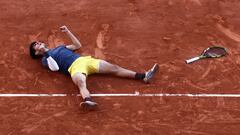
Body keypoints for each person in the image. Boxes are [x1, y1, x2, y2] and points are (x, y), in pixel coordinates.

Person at [29, 25, 159, 111]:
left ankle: (144, 76)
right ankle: (88, 101)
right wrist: (45, 53)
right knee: (81, 82)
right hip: (73, 68)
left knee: (114, 68)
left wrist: (68, 31)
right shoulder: (45, 60)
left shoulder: (59, 48)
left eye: (38, 42)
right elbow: (55, 68)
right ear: (36, 53)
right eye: (35, 45)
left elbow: (77, 45)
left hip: (84, 61)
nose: (38, 43)